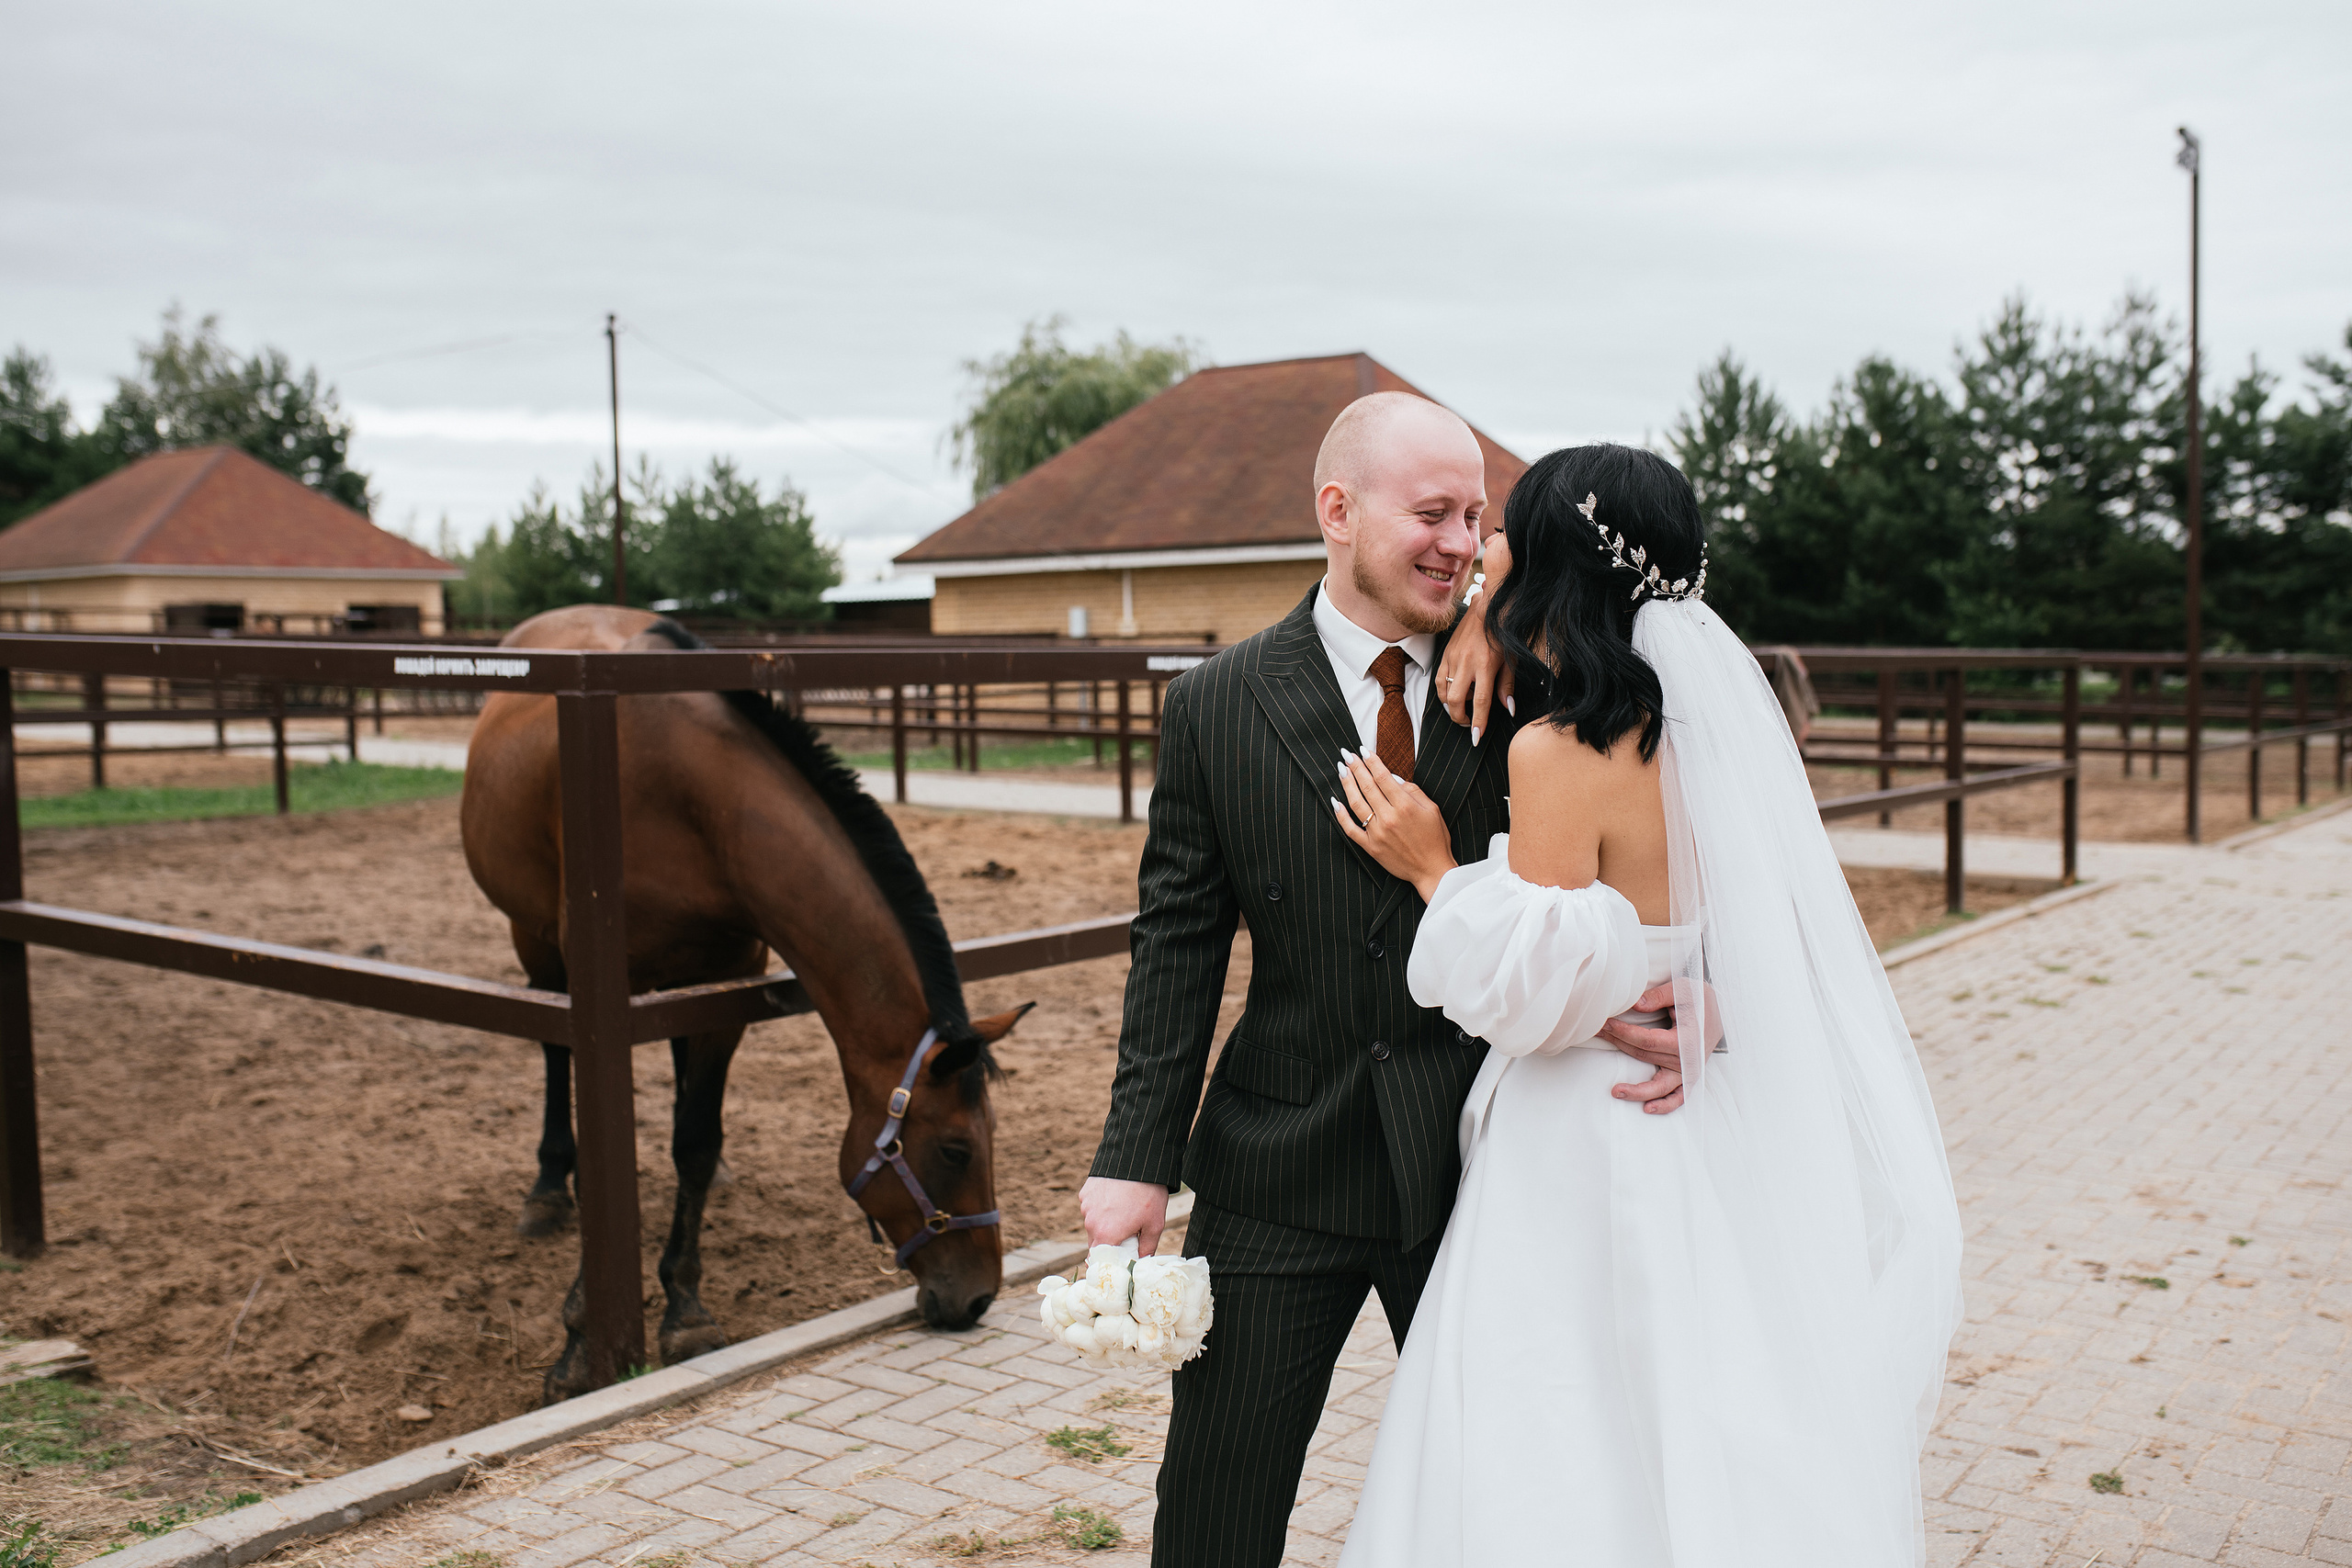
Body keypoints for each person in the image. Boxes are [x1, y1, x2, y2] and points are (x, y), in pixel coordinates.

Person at [1079, 398, 1690, 1567]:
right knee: (1215, 1511)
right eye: (1432, 514)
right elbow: (1178, 940)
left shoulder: (1540, 687)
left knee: (1510, 1500)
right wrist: (1134, 1157)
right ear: (1337, 512)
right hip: (1274, 1166)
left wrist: (1704, 998)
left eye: (1476, 518)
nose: (1461, 541)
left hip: (1477, 1168)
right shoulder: (1215, 702)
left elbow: (1660, 852)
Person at [1331, 443, 1963, 1567]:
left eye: (1501, 538)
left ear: (1550, 569)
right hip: (1707, 1110)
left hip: (1587, 1121)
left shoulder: (1561, 748)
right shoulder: (1718, 739)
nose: (1481, 556)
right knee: (1708, 1382)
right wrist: (1713, 1000)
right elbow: (1743, 929)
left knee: (1559, 1403)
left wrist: (1434, 869)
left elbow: (1534, 983)